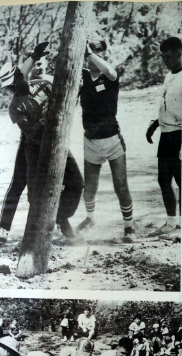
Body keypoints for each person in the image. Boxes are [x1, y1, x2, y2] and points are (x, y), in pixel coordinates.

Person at [0, 42, 83, 242]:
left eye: (15, 81)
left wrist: (34, 56)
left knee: (76, 183)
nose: (14, 87)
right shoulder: (15, 107)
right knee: (24, 185)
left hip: (56, 140)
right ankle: (9, 228)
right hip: (32, 143)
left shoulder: (44, 84)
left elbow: (67, 100)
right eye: (9, 87)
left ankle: (61, 218)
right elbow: (32, 132)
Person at [76, 40, 136, 242]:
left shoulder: (110, 76)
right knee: (90, 187)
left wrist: (90, 54)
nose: (95, 57)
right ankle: (90, 219)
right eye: (93, 53)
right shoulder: (82, 76)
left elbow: (109, 70)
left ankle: (129, 227)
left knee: (121, 185)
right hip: (91, 140)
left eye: (99, 53)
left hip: (111, 139)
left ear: (104, 55)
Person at [146, 37, 182, 237]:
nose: (166, 61)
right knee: (163, 180)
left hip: (181, 134)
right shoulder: (169, 76)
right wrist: (154, 125)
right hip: (166, 134)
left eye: (169, 57)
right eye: (163, 57)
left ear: (179, 53)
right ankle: (171, 222)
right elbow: (165, 104)